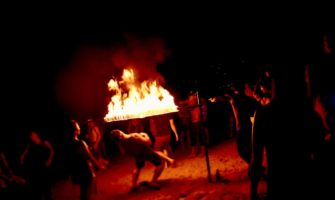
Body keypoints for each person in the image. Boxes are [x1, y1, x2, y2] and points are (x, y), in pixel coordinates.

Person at [110, 129, 174, 191]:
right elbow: (149, 142)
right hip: (146, 152)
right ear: (120, 132)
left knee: (138, 168)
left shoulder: (121, 144)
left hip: (137, 155)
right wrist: (145, 135)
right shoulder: (134, 136)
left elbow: (124, 152)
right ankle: (153, 181)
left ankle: (133, 185)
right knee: (160, 164)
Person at [68, 120, 105, 200]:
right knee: (86, 194)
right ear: (75, 130)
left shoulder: (67, 144)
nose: (79, 128)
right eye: (77, 126)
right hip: (85, 173)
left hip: (76, 173)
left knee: (83, 192)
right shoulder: (80, 143)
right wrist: (99, 166)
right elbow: (90, 157)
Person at [20, 131, 54, 200]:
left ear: (36, 135)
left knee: (46, 188)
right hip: (34, 168)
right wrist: (22, 157)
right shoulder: (30, 144)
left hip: (43, 167)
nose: (31, 137)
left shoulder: (44, 142)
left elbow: (52, 150)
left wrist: (49, 160)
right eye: (30, 136)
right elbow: (25, 152)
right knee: (36, 190)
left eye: (32, 135)